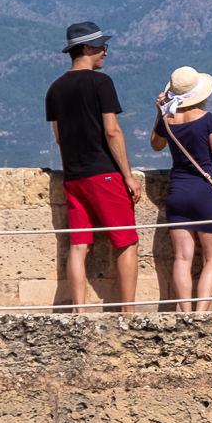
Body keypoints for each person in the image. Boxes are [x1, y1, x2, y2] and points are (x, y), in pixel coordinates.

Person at [44, 21, 141, 311]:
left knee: (78, 245)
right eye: (101, 47)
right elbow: (112, 131)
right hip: (104, 175)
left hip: (74, 177)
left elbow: (59, 137)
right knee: (126, 241)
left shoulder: (54, 89)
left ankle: (79, 311)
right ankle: (129, 312)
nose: (105, 53)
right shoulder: (102, 83)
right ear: (87, 48)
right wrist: (128, 176)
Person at [148, 67, 212, 313]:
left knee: (182, 258)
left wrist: (160, 112)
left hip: (178, 193)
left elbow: (155, 145)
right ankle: (201, 314)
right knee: (211, 258)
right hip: (205, 193)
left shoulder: (167, 119)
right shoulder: (206, 118)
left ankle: (185, 314)